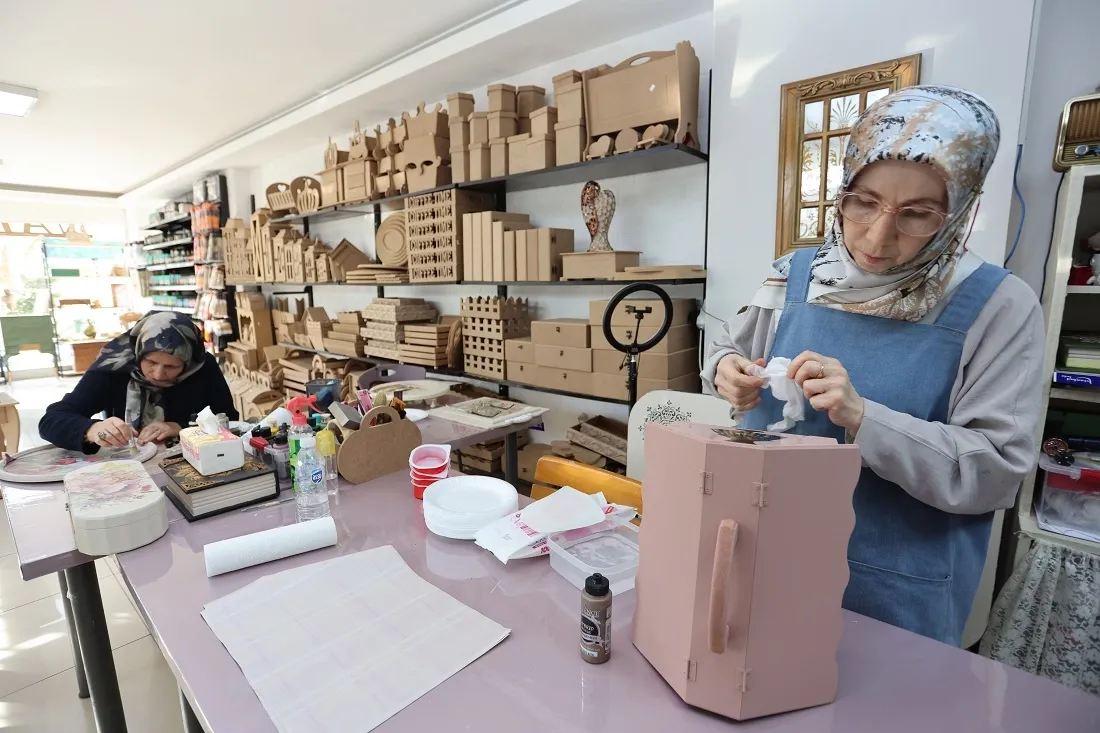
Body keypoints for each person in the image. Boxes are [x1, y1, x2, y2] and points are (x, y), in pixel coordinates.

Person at [703, 86, 1044, 646]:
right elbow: (727, 352)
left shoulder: (999, 306)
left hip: (895, 592)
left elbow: (995, 470)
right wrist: (729, 375)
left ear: (960, 210)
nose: (879, 236)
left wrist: (864, 418)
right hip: (767, 563)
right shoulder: (794, 276)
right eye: (864, 202)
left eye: (918, 214)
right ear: (843, 191)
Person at [40, 312, 238, 452]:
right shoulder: (114, 367)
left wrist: (181, 427)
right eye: (151, 362)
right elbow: (51, 421)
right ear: (138, 352)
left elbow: (229, 418)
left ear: (188, 363)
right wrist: (90, 430)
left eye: (171, 367)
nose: (158, 374)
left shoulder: (201, 366)